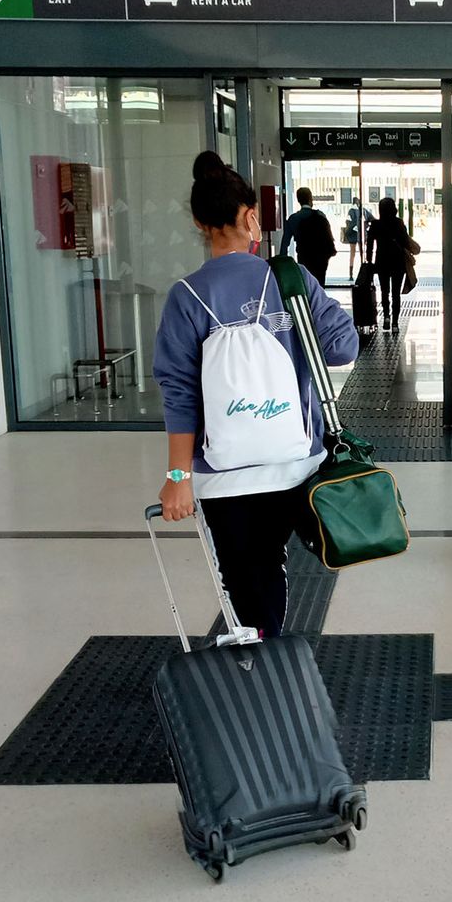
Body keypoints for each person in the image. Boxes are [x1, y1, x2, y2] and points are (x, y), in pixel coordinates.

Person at [153, 153, 359, 638]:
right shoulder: (290, 278)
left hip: (224, 478)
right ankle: (267, 655)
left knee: (247, 579)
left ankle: (257, 655)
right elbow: (344, 348)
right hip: (295, 463)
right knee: (273, 562)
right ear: (251, 217)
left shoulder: (186, 296)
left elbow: (179, 395)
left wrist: (178, 478)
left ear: (200, 224)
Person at [366, 197, 412, 332]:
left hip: (382, 262)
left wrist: (369, 261)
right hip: (398, 262)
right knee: (396, 293)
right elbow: (405, 242)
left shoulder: (376, 225)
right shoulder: (399, 223)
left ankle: (386, 317)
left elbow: (369, 245)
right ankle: (395, 324)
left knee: (384, 291)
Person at [280, 187, 337, 287]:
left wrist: (282, 262)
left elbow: (285, 243)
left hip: (304, 256)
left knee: (306, 285)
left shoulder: (293, 219)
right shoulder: (320, 215)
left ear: (298, 200)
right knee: (319, 284)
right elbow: (328, 235)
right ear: (310, 199)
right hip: (321, 257)